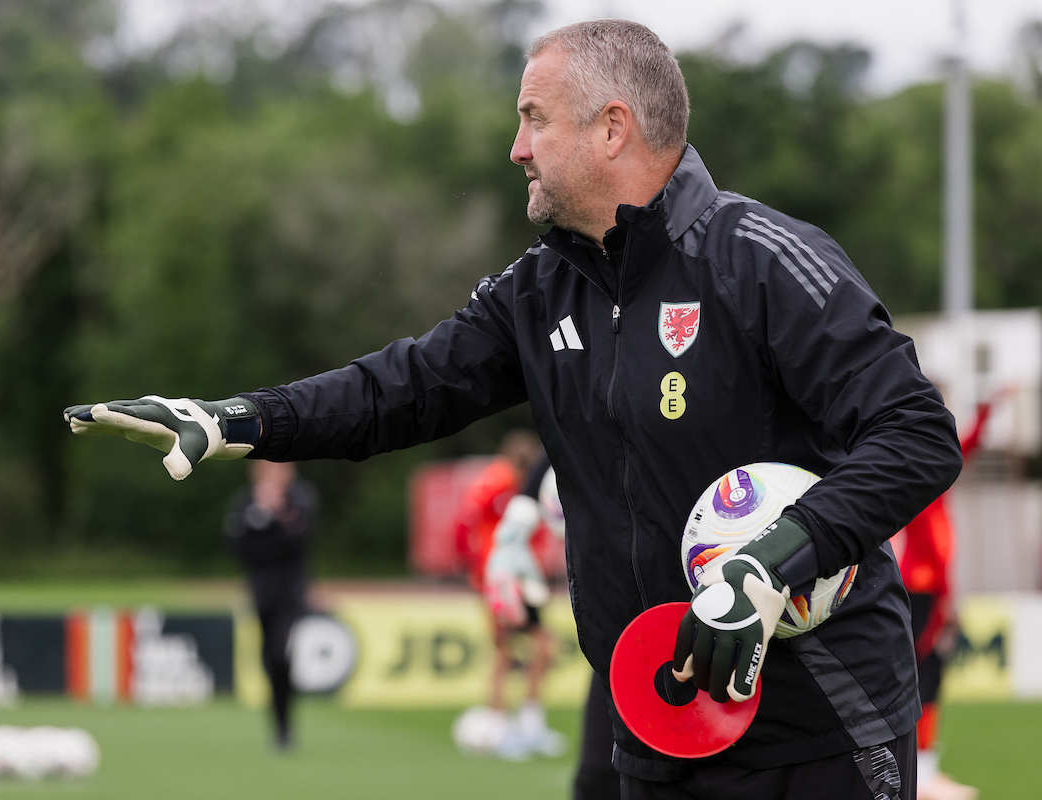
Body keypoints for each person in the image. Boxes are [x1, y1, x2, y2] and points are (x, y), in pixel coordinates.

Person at [65, 19, 962, 799]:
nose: (516, 148)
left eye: (534, 117)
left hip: (820, 728)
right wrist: (239, 420)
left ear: (612, 128)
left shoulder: (760, 259)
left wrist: (771, 560)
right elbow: (397, 391)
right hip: (657, 723)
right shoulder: (538, 293)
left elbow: (918, 434)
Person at [896, 396, 999, 800]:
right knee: (920, 676)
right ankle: (918, 774)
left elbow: (960, 448)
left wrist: (947, 600)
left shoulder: (933, 478)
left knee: (930, 675)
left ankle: (925, 771)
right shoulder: (916, 473)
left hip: (931, 591)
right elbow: (960, 446)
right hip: (920, 590)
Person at [455, 431, 563, 759]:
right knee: (505, 651)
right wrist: (476, 568)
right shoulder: (495, 483)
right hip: (500, 579)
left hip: (523, 577)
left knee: (542, 647)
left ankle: (529, 721)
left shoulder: (526, 487)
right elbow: (465, 524)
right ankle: (499, 725)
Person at [223, 459, 317, 750]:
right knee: (270, 658)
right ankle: (279, 726)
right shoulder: (246, 500)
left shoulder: (300, 498)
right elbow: (238, 545)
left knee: (280, 653)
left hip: (290, 591)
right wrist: (259, 515)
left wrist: (275, 515)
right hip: (261, 591)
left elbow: (299, 541)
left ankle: (284, 727)